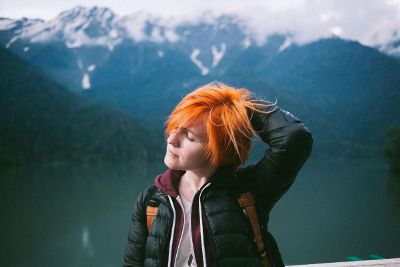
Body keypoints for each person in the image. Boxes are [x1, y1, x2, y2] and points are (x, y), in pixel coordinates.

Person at [123, 82, 313, 267]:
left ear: (221, 149)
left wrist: (239, 104)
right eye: (175, 127)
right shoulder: (152, 201)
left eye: (190, 137)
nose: (172, 140)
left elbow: (294, 138)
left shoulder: (248, 191)